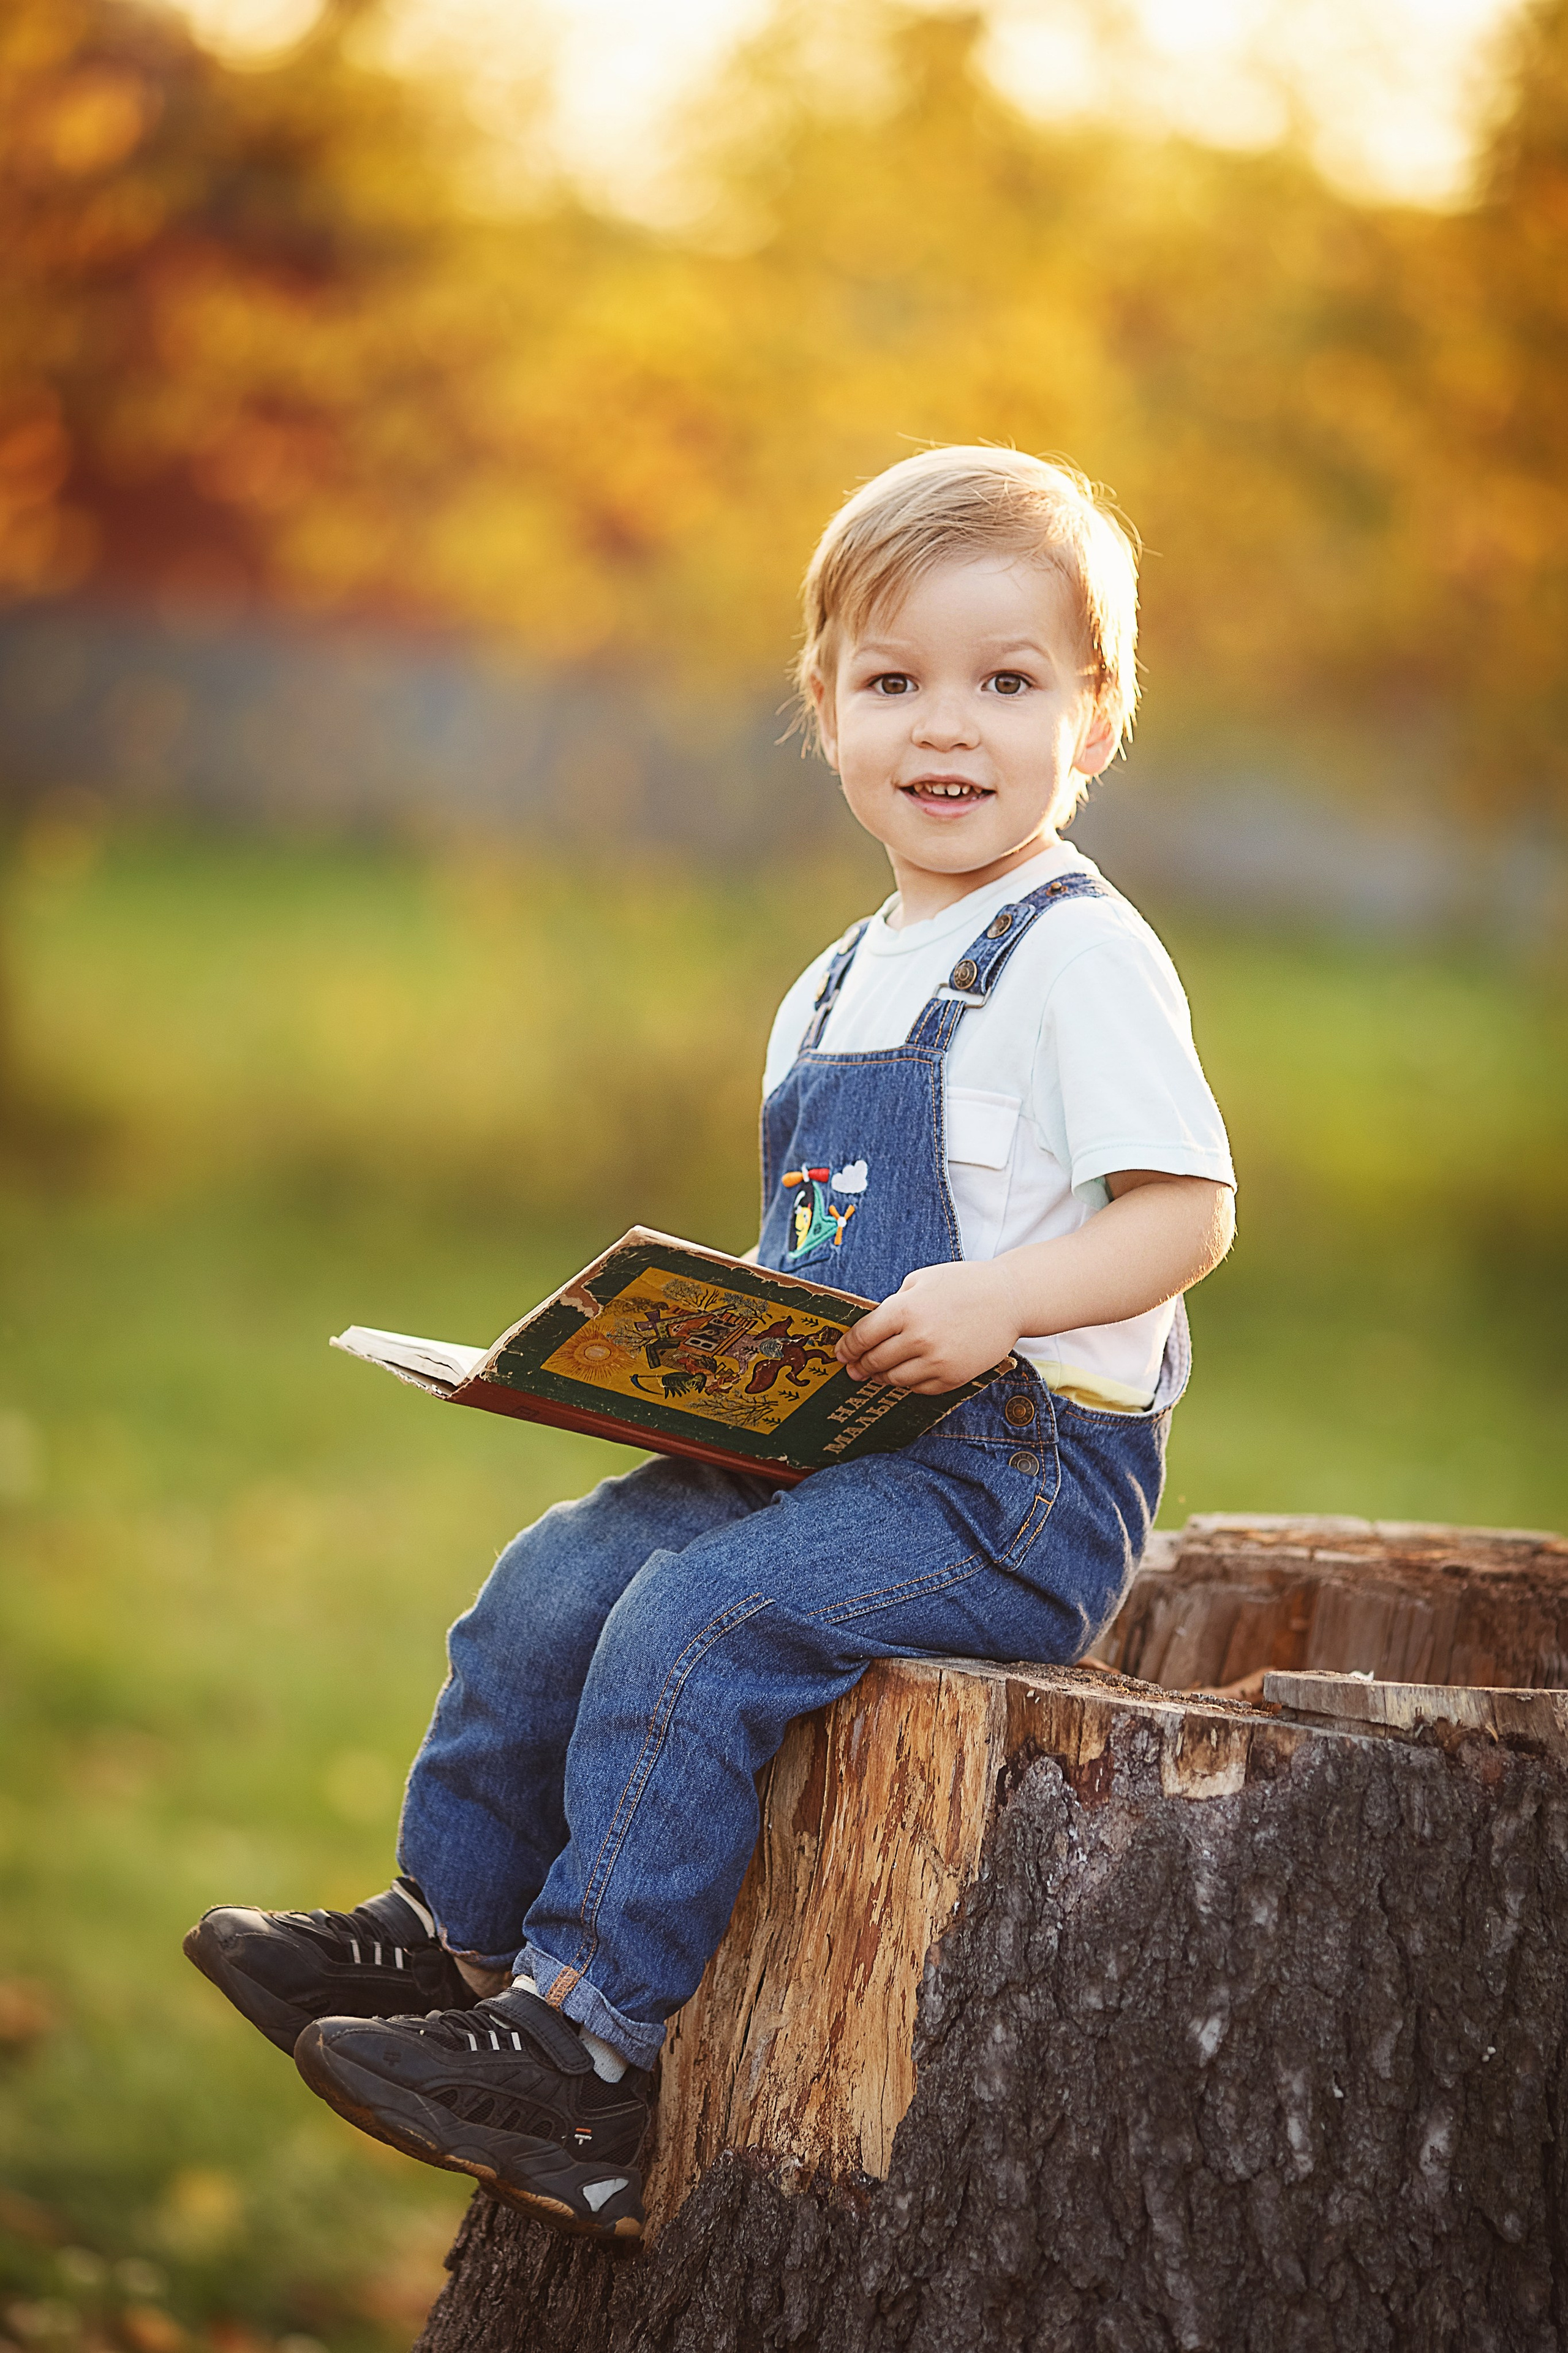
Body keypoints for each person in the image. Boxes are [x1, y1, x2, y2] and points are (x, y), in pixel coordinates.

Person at [184, 445, 1235, 2245]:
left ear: (1099, 717)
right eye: (893, 680)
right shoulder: (830, 984)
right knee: (560, 1571)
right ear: (825, 705)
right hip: (829, 1440)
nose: (945, 726)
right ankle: (450, 1935)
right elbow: (820, 1253)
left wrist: (1003, 1294)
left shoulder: (1077, 954)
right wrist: (663, 1362)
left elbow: (1185, 1213)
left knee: (700, 1621)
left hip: (1010, 1488)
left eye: (1008, 680)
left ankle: (589, 2050)